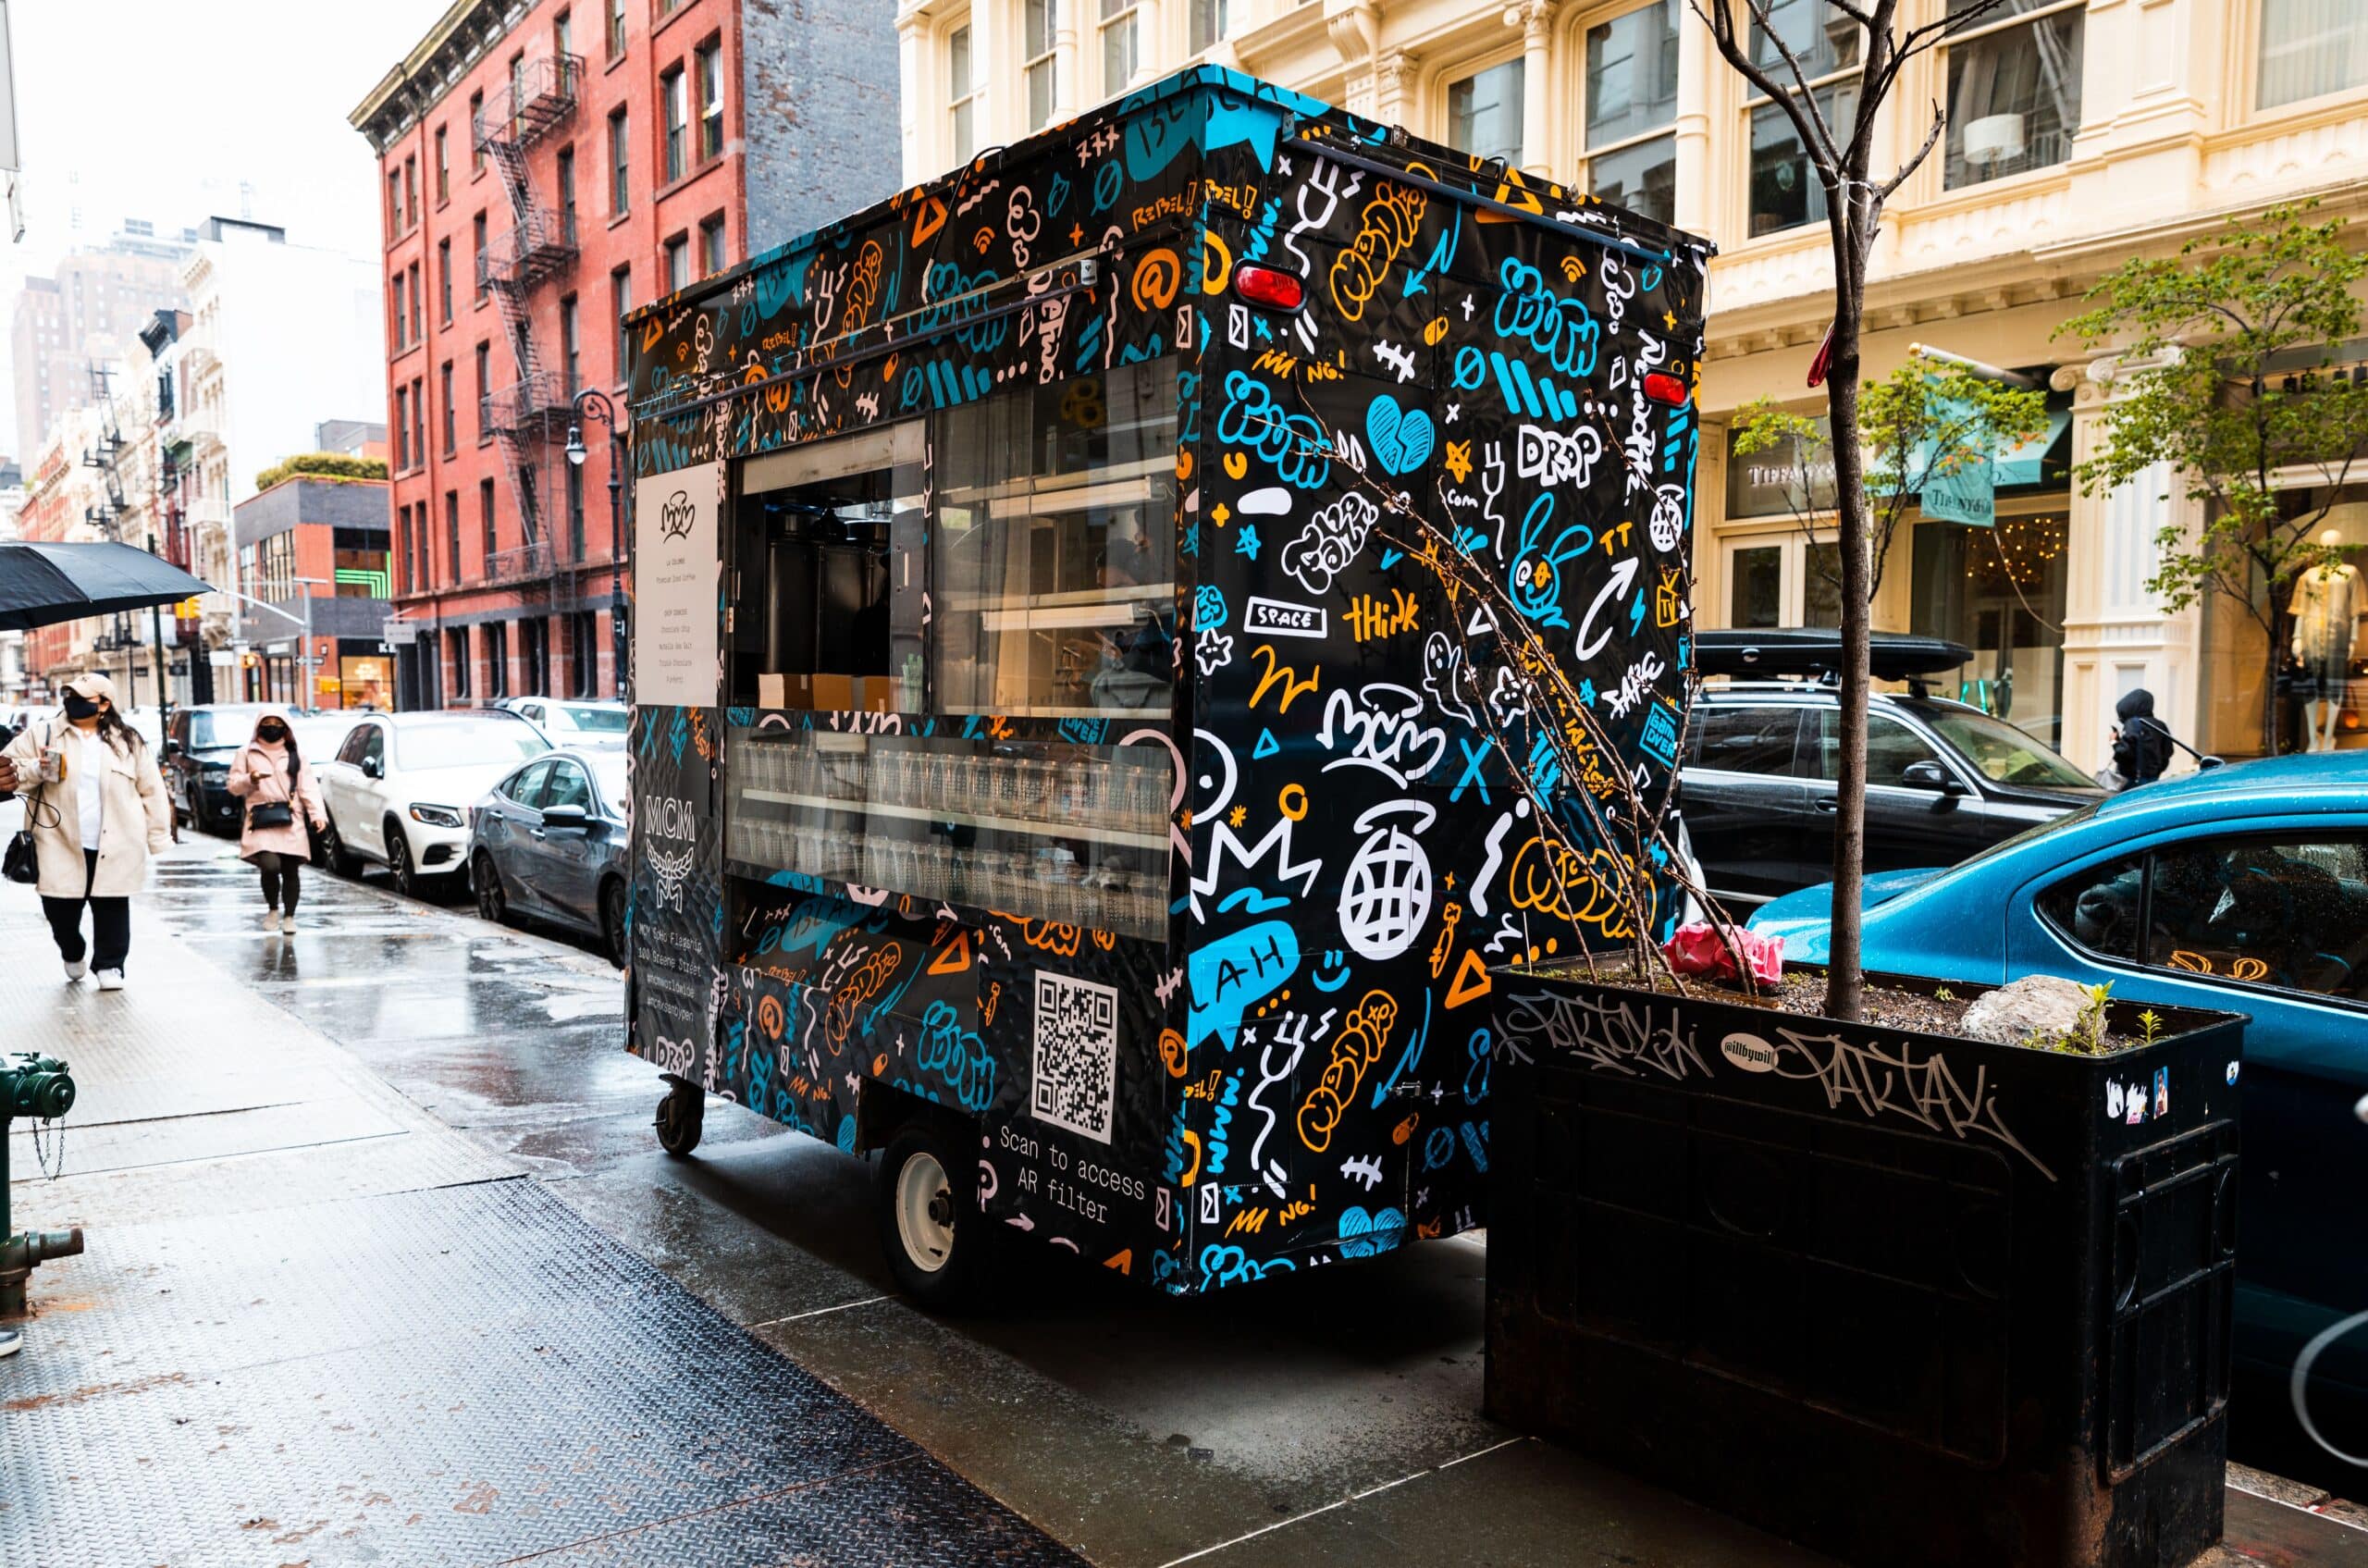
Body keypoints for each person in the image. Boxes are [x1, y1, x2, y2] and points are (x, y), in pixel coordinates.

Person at [0, 673, 172, 989]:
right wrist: (38, 770)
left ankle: (110, 965)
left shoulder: (129, 741)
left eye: (83, 698)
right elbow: (6, 769)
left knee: (112, 905)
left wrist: (158, 837)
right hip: (58, 840)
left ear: (105, 704)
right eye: (70, 696)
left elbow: (152, 790)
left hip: (118, 840)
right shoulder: (45, 732)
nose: (73, 703)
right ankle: (73, 949)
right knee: (59, 908)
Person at [225, 708, 327, 933]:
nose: (272, 727)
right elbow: (233, 786)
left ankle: (289, 916)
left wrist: (317, 815)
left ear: (285, 727)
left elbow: (308, 788)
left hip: (291, 818)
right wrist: (250, 779)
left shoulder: (295, 755)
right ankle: (272, 908)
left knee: (291, 869)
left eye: (276, 723)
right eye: (267, 723)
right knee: (270, 865)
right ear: (259, 726)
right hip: (261, 818)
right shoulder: (246, 753)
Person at [2111, 688, 2172, 787]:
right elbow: (2168, 752)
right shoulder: (2160, 725)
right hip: (2153, 778)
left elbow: (2124, 753)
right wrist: (2156, 771)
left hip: (2132, 780)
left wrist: (2114, 741)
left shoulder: (2132, 723)